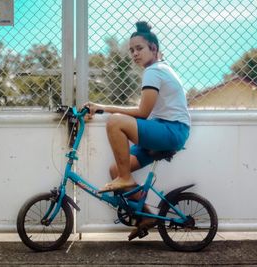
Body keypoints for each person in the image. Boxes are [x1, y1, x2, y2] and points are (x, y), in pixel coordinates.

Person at [85, 21, 191, 239]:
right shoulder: (160, 70)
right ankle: (147, 217)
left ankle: (126, 178)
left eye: (139, 48)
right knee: (116, 170)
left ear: (154, 48)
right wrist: (101, 108)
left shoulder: (154, 71)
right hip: (164, 129)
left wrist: (103, 109)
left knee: (115, 122)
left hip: (172, 130)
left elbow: (142, 113)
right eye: (131, 50)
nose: (134, 54)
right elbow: (147, 114)